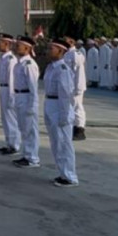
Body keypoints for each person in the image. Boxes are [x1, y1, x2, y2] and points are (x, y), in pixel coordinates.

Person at [44, 38, 79, 187]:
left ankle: (70, 176)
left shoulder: (63, 69)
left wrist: (64, 116)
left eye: (52, 48)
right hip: (51, 104)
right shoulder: (51, 67)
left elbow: (65, 95)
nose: (49, 50)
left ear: (61, 51)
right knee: (56, 143)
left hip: (59, 106)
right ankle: (63, 173)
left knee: (64, 144)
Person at [12, 35, 41, 169]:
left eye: (19, 45)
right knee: (24, 128)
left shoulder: (29, 65)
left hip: (26, 97)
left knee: (30, 130)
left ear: (27, 48)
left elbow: (33, 87)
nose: (16, 47)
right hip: (19, 96)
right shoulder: (20, 63)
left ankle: (33, 158)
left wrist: (32, 106)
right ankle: (26, 154)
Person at [0, 33, 20, 156]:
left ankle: (14, 145)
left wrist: (11, 97)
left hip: (8, 89)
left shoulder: (11, 60)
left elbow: (11, 79)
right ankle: (9, 143)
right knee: (5, 118)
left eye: (0, 41)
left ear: (7, 44)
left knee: (11, 118)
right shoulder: (3, 58)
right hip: (2, 88)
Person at [64, 36, 88, 141]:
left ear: (71, 41)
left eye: (66, 41)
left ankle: (80, 129)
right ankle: (73, 127)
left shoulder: (76, 54)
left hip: (76, 85)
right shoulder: (66, 53)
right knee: (71, 108)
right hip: (69, 85)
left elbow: (79, 72)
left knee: (78, 107)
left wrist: (79, 87)